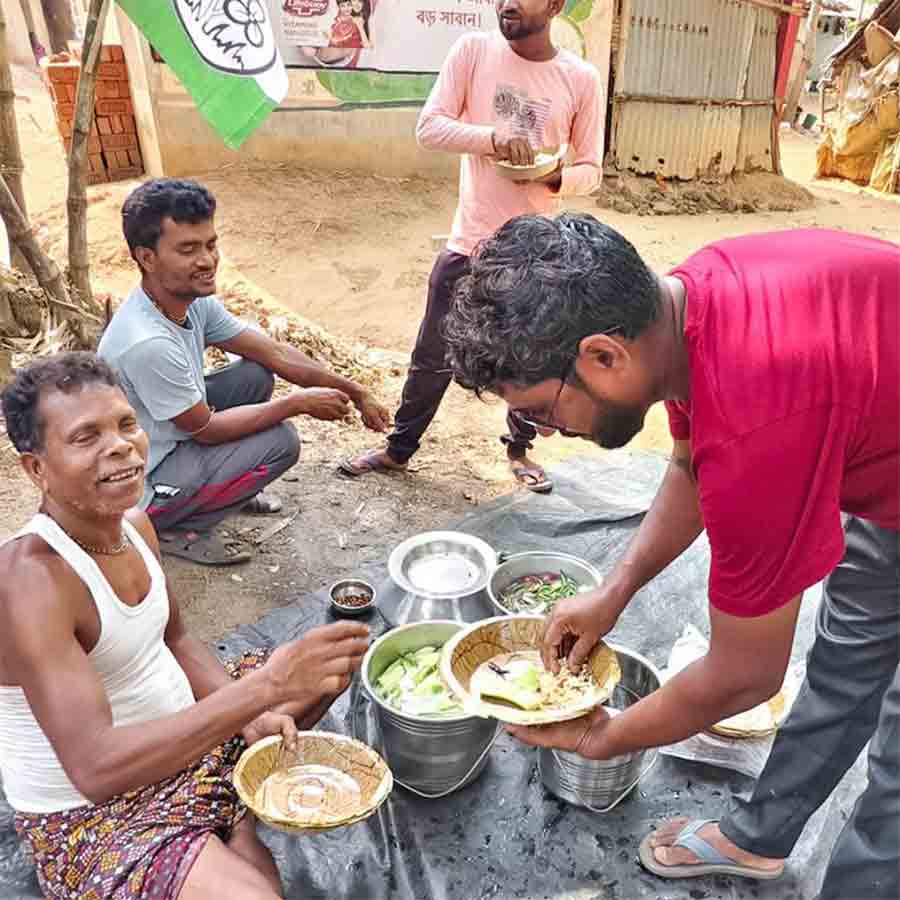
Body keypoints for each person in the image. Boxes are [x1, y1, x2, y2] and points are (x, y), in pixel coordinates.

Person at [443, 213, 899, 899]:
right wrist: (616, 589)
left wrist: (606, 738)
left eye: (541, 409)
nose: (548, 430)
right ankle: (759, 838)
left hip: (811, 421)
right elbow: (688, 465)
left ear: (602, 356)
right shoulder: (685, 304)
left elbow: (746, 675)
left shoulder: (757, 424)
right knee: (848, 657)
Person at [0, 351, 371, 899]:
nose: (121, 445)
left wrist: (249, 715)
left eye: (126, 424)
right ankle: (232, 816)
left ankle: (227, 810)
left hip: (188, 735)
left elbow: (174, 638)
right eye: (86, 437)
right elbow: (97, 769)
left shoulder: (134, 524)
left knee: (327, 668)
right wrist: (260, 693)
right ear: (37, 469)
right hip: (102, 809)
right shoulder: (29, 584)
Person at [341, 0, 603, 494]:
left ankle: (519, 449)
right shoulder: (473, 51)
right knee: (432, 354)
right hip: (470, 242)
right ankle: (400, 449)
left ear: (553, 6)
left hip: (532, 254)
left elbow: (592, 169)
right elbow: (430, 127)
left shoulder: (580, 78)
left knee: (531, 358)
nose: (506, 3)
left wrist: (554, 175)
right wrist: (492, 138)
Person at [99, 179, 390, 566]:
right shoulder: (146, 341)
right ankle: (177, 528)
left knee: (256, 374)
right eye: (188, 249)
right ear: (147, 258)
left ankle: (222, 488)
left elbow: (273, 353)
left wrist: (354, 389)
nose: (207, 260)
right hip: (143, 480)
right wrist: (296, 403)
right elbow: (206, 430)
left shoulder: (191, 300)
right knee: (282, 441)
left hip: (168, 435)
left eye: (210, 244)